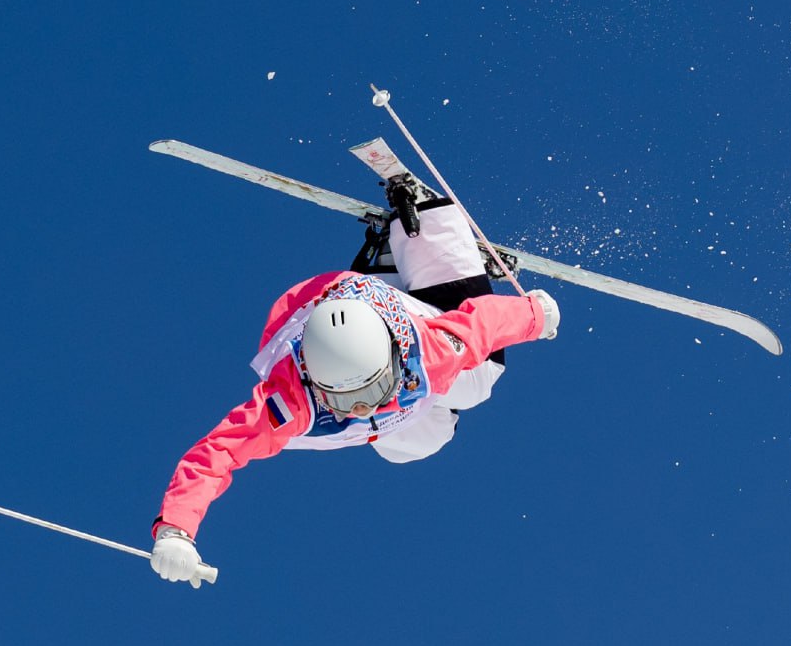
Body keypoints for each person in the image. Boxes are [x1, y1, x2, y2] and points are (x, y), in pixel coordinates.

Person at [150, 173, 560, 586]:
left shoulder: (428, 351)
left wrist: (537, 314)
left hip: (375, 302)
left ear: (393, 364)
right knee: (414, 443)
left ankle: (427, 234)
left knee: (478, 380)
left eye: (372, 391)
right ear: (315, 385)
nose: (363, 408)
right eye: (343, 400)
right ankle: (401, 262)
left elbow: (485, 321)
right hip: (308, 315)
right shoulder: (289, 404)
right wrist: (176, 531)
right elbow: (216, 453)